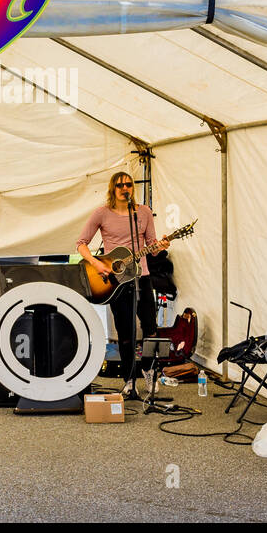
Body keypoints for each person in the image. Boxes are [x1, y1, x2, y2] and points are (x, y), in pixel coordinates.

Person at [77, 171, 168, 400]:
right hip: (116, 282)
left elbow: (152, 246)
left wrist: (162, 245)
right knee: (125, 333)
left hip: (142, 276)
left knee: (150, 328)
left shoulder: (143, 212)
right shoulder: (102, 213)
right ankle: (129, 380)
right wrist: (97, 264)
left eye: (128, 185)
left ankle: (148, 371)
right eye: (120, 185)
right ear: (113, 189)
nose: (125, 188)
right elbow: (81, 244)